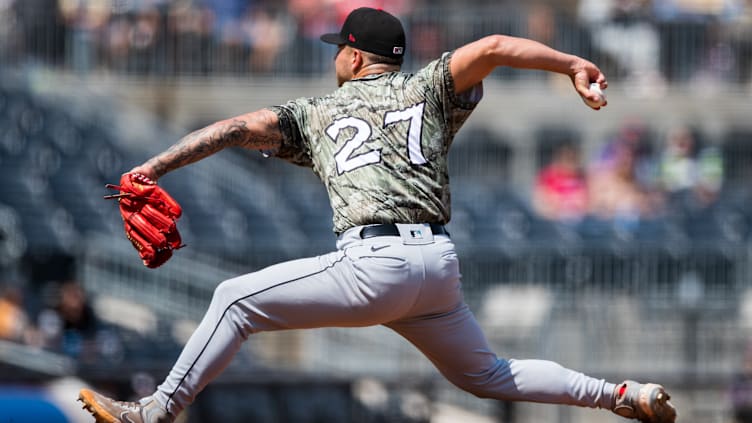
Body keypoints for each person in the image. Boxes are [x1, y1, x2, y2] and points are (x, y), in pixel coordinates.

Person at [78, 7, 677, 423]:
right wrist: (571, 63)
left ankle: (155, 410)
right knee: (487, 376)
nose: (336, 55)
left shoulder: (317, 112)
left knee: (235, 300)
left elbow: (235, 130)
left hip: (374, 264)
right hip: (437, 266)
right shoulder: (428, 90)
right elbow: (493, 50)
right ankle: (621, 394)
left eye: (341, 48)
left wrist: (152, 168)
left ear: (359, 58)